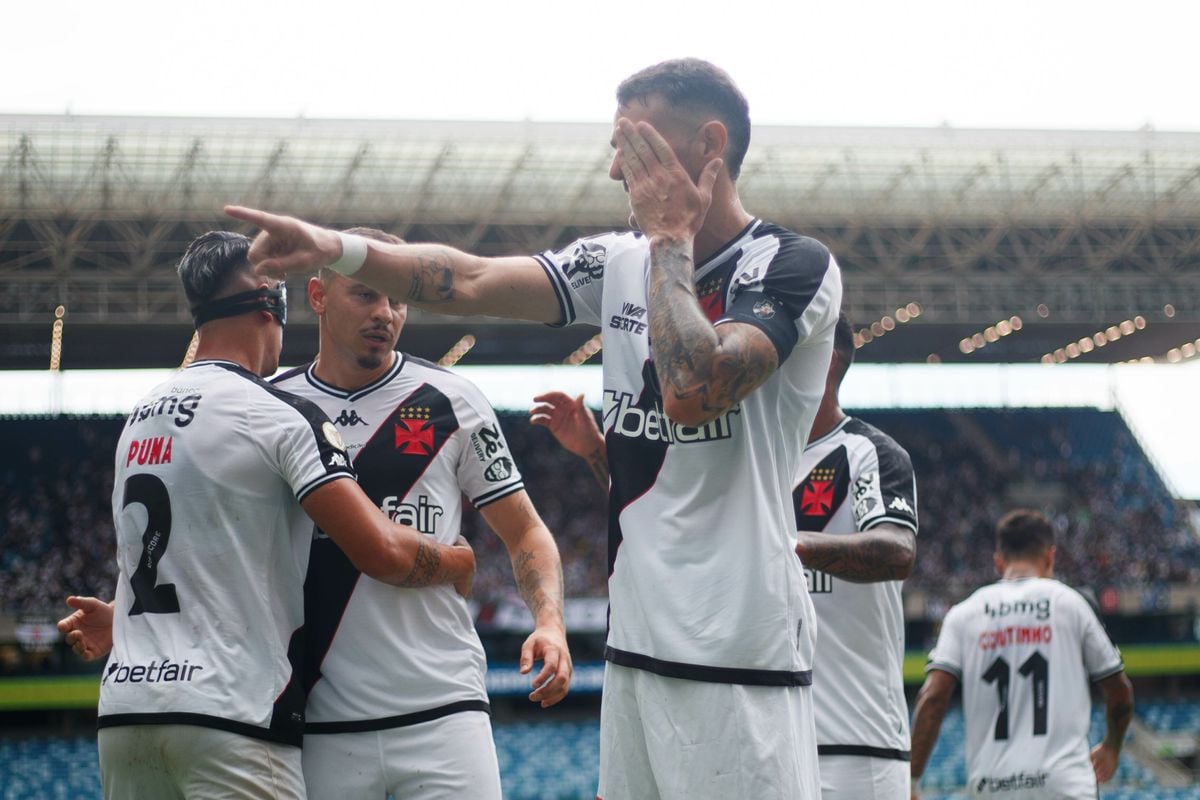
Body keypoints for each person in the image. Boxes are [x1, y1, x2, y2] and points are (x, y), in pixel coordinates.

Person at [226, 57, 842, 799]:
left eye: (634, 143)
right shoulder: (617, 260)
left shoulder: (792, 265)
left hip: (740, 650)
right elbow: (472, 278)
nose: (616, 168)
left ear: (709, 145)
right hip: (636, 648)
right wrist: (341, 249)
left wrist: (671, 238)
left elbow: (692, 390)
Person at [56, 231, 475, 799]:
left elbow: (176, 546)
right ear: (270, 303)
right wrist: (456, 560)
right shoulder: (279, 414)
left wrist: (125, 615)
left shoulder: (142, 415)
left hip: (127, 714)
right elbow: (381, 552)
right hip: (232, 718)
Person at [531, 312, 919, 800]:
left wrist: (788, 545)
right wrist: (595, 450)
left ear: (825, 361)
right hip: (758, 729)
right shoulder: (746, 452)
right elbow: (659, 511)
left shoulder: (870, 453)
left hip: (856, 744)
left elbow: (897, 552)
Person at [272, 227, 571, 799]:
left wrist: (551, 622)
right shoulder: (274, 406)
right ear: (317, 296)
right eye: (365, 294)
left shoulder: (452, 400)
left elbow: (526, 529)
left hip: (444, 713)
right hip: (320, 723)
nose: (385, 312)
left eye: (396, 297)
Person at [909, 509, 1134, 799]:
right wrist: (1111, 747)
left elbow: (934, 697)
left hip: (992, 787)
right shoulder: (1071, 603)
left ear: (998, 561)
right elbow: (1120, 691)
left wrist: (912, 778)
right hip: (1063, 786)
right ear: (1050, 557)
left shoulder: (963, 614)